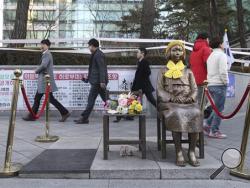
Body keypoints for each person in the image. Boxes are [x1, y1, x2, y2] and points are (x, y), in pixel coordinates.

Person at [157, 41, 203, 167]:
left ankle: (191, 151)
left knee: (196, 113)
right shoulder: (162, 71)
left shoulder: (189, 72)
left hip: (188, 102)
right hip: (170, 103)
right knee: (176, 114)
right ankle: (179, 152)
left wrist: (189, 98)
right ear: (168, 53)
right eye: (174, 50)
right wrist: (172, 98)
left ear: (183, 53)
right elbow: (160, 90)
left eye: (179, 50)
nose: (177, 52)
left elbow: (194, 89)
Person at [23, 39, 70, 122]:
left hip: (45, 81)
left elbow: (44, 65)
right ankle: (64, 112)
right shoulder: (46, 54)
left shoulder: (47, 54)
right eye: (41, 44)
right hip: (45, 81)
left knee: (41, 99)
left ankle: (32, 116)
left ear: (47, 46)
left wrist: (36, 71)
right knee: (42, 98)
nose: (41, 46)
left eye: (43, 44)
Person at [113, 47, 156, 123]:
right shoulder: (140, 62)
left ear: (142, 53)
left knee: (148, 100)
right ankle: (130, 116)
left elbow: (148, 72)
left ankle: (164, 112)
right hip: (141, 86)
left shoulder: (144, 62)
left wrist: (141, 81)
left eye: (138, 52)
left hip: (143, 86)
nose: (137, 54)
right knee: (133, 100)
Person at [74, 38, 108, 124]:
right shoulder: (96, 54)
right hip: (97, 82)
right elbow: (94, 69)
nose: (88, 48)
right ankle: (121, 113)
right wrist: (86, 79)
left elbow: (102, 68)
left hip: (98, 82)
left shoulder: (98, 55)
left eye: (89, 46)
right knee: (107, 100)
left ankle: (84, 118)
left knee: (91, 100)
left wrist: (102, 81)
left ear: (92, 46)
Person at [203, 37, 228, 139]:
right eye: (222, 43)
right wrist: (225, 82)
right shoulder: (222, 55)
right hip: (219, 84)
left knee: (216, 108)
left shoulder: (211, 55)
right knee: (219, 109)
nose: (224, 45)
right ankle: (214, 131)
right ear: (219, 45)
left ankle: (207, 125)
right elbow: (223, 71)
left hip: (211, 84)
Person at [189, 32, 211, 104]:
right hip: (205, 80)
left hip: (195, 79)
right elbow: (208, 64)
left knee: (200, 101)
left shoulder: (193, 51)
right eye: (208, 39)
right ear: (206, 39)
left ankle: (200, 114)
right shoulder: (206, 49)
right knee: (206, 102)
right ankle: (203, 115)